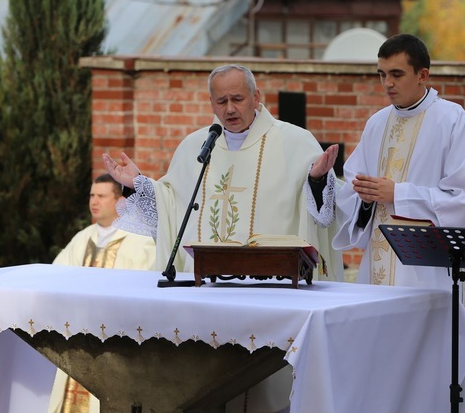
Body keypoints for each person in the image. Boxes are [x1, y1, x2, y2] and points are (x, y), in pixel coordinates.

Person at [102, 64, 344, 413]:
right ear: (211, 103)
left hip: (270, 299)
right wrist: (139, 184)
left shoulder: (295, 142)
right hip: (209, 298)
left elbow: (320, 212)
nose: (230, 109)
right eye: (221, 101)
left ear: (256, 97)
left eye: (237, 99)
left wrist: (319, 180)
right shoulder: (197, 147)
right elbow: (172, 206)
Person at [332, 33, 465, 413]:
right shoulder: (377, 124)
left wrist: (399, 194)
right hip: (378, 278)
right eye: (381, 75)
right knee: (380, 380)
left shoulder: (452, 120)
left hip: (431, 278)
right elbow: (354, 193)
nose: (387, 84)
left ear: (423, 74)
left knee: (432, 384)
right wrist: (338, 187)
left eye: (396, 74)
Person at [48, 173, 156, 413]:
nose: (94, 201)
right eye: (91, 196)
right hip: (76, 339)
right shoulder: (82, 238)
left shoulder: (139, 241)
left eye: (101, 196)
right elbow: (54, 279)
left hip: (116, 343)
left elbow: (146, 291)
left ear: (119, 201)